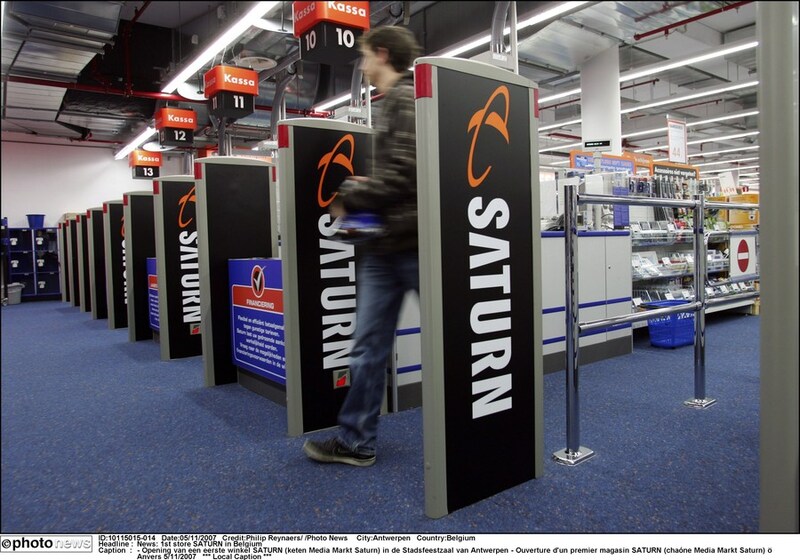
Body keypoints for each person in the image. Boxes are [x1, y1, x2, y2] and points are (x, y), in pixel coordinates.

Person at [302, 25, 421, 467]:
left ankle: (487, 429)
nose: (363, 64)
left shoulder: (406, 99)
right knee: (367, 347)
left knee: (451, 336)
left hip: (412, 245)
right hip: (386, 247)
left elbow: (406, 174)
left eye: (366, 55)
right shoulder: (391, 103)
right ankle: (357, 442)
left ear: (382, 54)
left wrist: (351, 194)